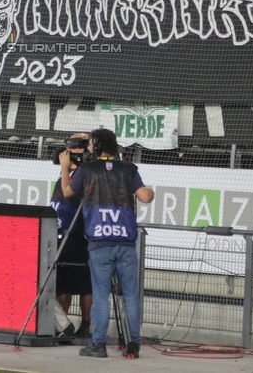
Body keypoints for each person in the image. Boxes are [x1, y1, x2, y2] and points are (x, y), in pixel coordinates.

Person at [60, 128, 154, 359]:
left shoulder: (87, 169)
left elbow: (66, 192)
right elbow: (145, 197)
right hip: (126, 243)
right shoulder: (128, 168)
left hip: (100, 243)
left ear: (98, 144)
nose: (88, 146)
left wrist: (64, 169)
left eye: (91, 142)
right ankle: (133, 344)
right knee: (131, 296)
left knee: (101, 296)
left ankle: (98, 345)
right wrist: (151, 190)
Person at [50, 133, 94, 344]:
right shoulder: (63, 176)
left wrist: (68, 168)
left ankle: (85, 325)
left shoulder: (84, 175)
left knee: (84, 283)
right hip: (59, 235)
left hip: (76, 235)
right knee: (63, 284)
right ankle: (63, 324)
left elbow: (71, 194)